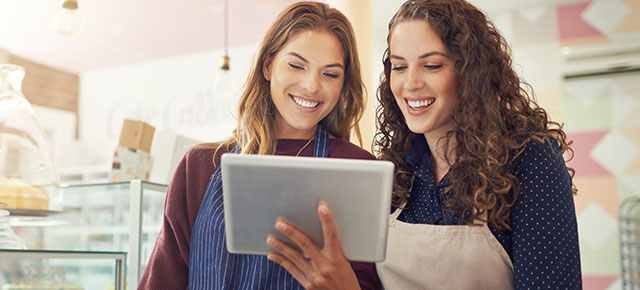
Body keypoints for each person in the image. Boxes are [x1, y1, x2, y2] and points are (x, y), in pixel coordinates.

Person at [268, 0, 582, 289]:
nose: (410, 83)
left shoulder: (529, 158)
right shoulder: (398, 171)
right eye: (399, 66)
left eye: (431, 66)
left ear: (469, 72)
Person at [139, 2, 382, 289]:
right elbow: (164, 279)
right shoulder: (200, 166)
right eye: (296, 65)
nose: (311, 86)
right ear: (268, 66)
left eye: (330, 74)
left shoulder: (359, 168)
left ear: (343, 84)